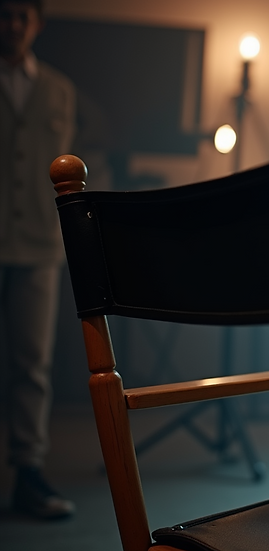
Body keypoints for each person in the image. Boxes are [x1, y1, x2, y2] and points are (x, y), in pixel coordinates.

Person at [0, 0, 76, 519]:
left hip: (39, 246)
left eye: (22, 15)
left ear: (37, 24)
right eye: (3, 14)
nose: (12, 25)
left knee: (32, 364)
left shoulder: (59, 89)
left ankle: (28, 474)